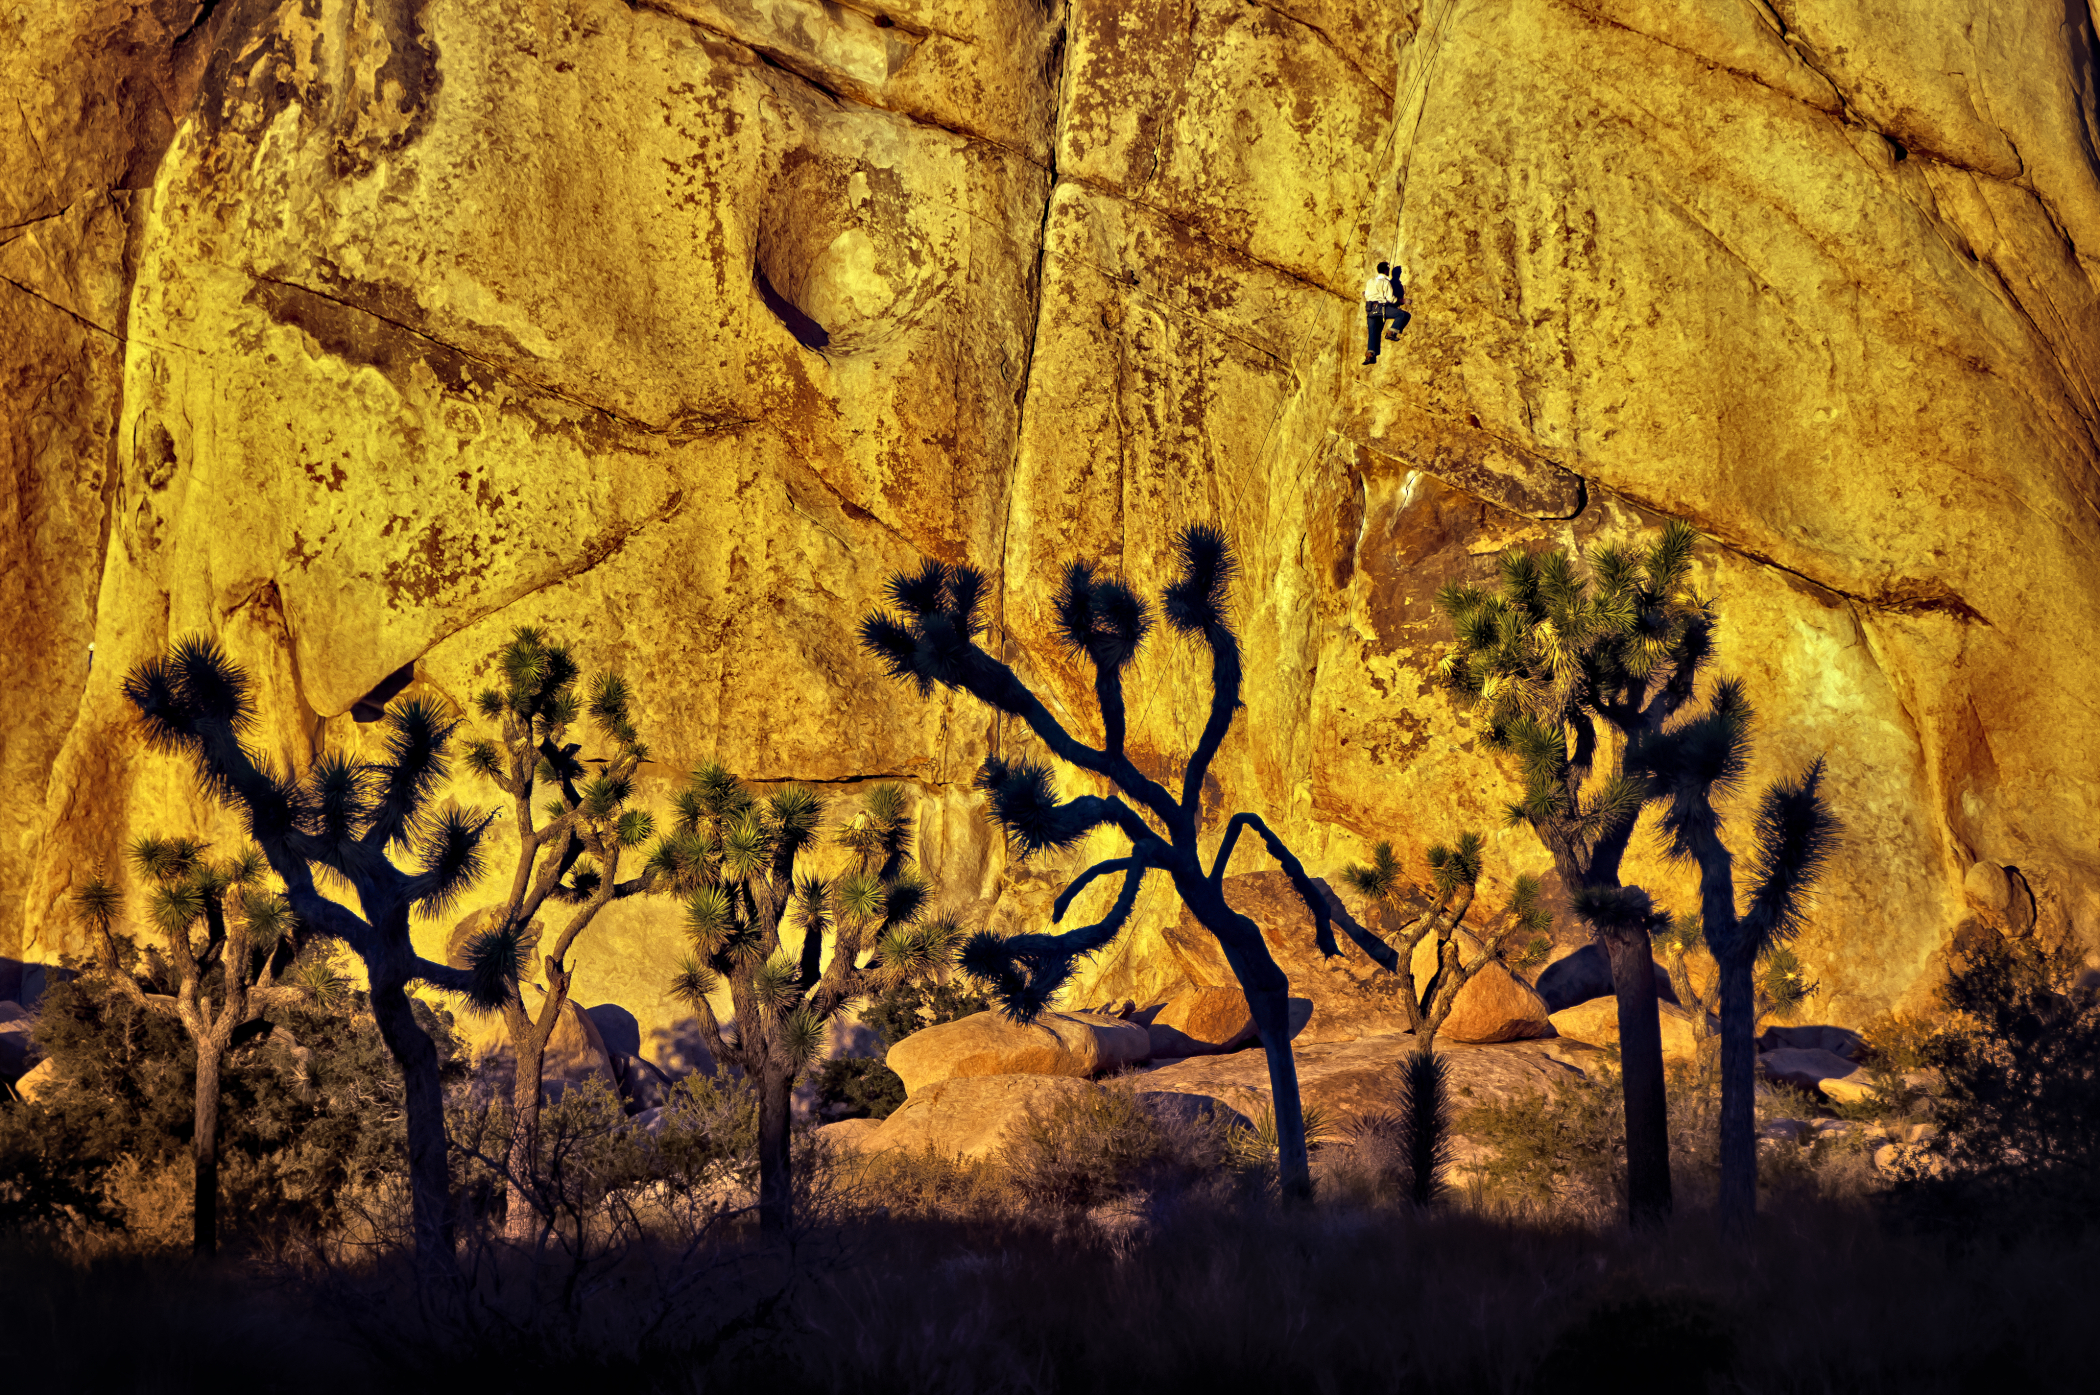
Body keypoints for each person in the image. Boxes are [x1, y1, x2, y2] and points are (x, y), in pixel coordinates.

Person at [1361, 261, 1395, 365]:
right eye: (1388, 269)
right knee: (1401, 315)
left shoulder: (1370, 281)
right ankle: (1391, 332)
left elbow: (1365, 294)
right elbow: (1391, 299)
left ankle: (1370, 354)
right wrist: (1402, 301)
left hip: (1370, 309)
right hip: (1381, 308)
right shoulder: (1386, 282)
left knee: (1372, 332)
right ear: (1385, 270)